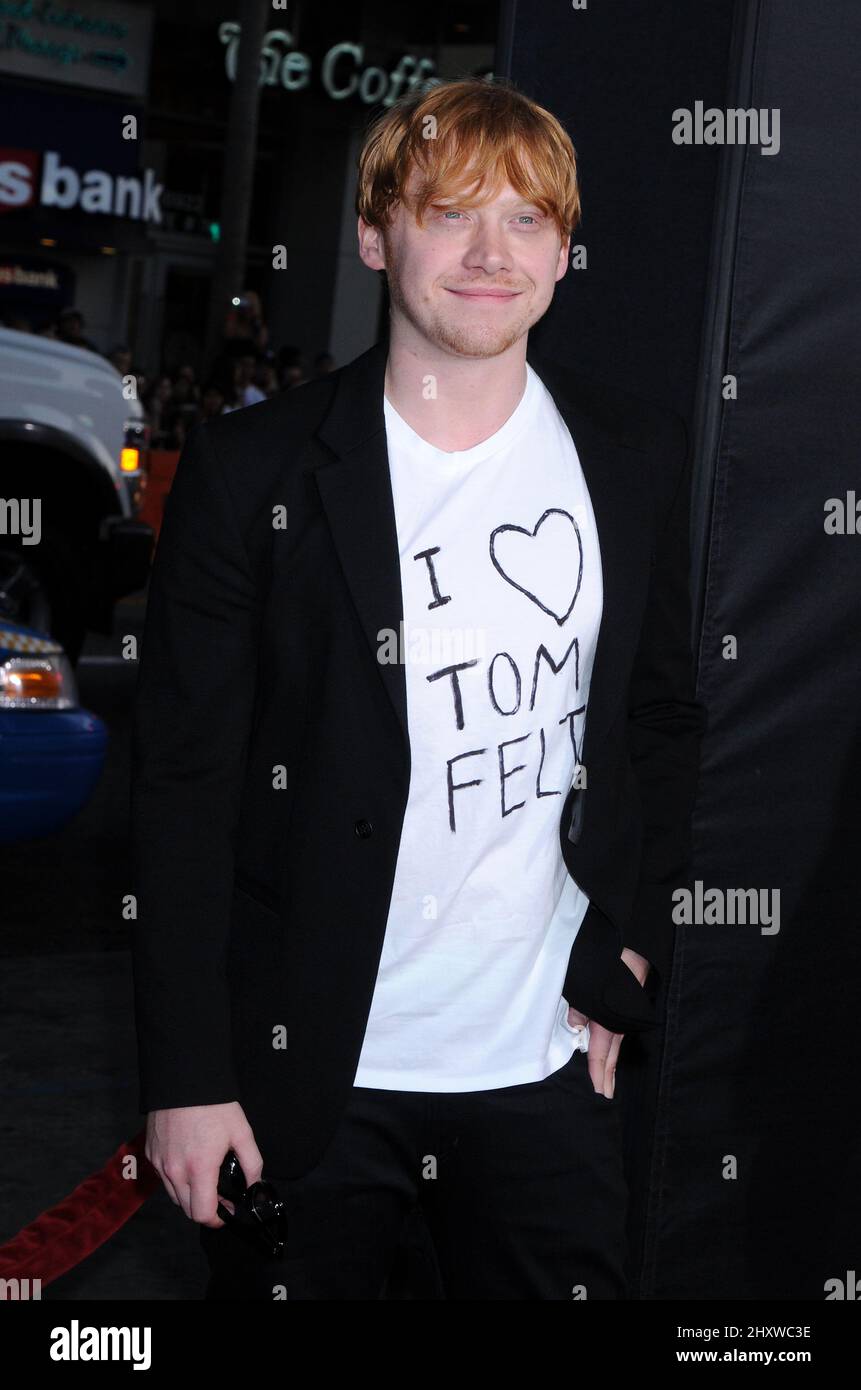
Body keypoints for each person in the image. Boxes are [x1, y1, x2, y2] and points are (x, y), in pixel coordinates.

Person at [130, 76, 706, 1301]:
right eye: (450, 215)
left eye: (526, 221)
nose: (490, 255)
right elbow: (183, 790)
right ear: (377, 233)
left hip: (544, 1074)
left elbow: (659, 721)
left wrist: (634, 954)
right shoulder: (253, 470)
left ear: (563, 250)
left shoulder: (633, 453)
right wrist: (187, 1075)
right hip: (307, 1086)